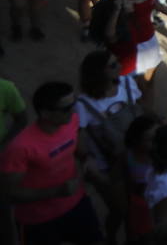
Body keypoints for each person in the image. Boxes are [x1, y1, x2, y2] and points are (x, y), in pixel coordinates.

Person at [0, 81, 102, 245]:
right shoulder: (20, 147)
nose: (73, 111)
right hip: (38, 221)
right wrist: (56, 192)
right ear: (45, 114)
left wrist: (87, 158)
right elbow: (9, 193)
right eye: (66, 108)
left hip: (77, 204)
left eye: (73, 104)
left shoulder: (72, 121)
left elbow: (77, 146)